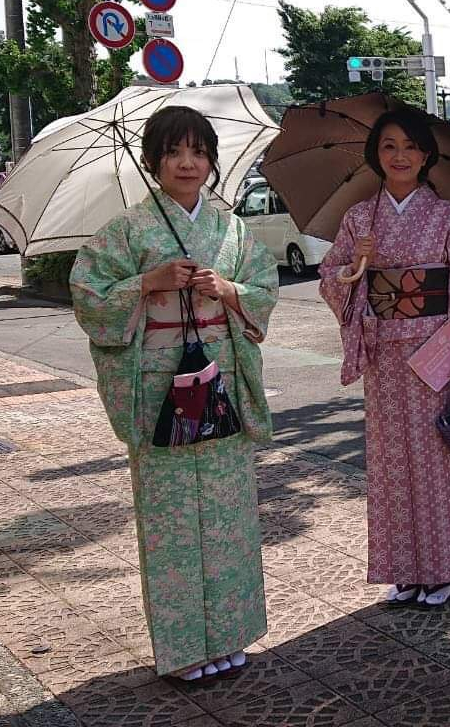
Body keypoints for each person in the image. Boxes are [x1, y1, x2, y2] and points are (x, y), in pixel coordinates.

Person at [70, 106, 279, 682]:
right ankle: (186, 647)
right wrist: (147, 283)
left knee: (229, 513)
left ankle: (233, 634)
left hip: (218, 378)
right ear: (152, 161)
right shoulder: (126, 230)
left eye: (199, 152)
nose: (188, 163)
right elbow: (89, 297)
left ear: (213, 161)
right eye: (173, 152)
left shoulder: (231, 228)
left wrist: (229, 288)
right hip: (156, 381)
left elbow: (263, 292)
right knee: (171, 522)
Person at [318, 108, 450, 608]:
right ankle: (405, 570)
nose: (401, 156)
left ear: (426, 156)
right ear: (377, 154)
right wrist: (357, 267)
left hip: (436, 351)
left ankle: (443, 570)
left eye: (411, 147)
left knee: (438, 460)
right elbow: (330, 278)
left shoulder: (444, 216)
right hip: (384, 356)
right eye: (390, 146)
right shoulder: (360, 219)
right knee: (392, 463)